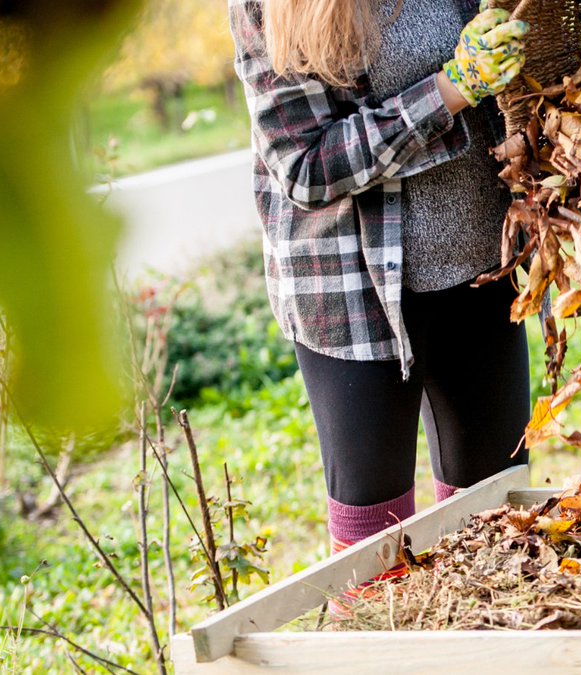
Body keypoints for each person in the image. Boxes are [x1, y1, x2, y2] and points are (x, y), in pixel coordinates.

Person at [227, 0, 532, 560]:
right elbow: (306, 165)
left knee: (498, 520)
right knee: (374, 542)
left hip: (482, 272)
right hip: (349, 291)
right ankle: (378, 644)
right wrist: (449, 90)